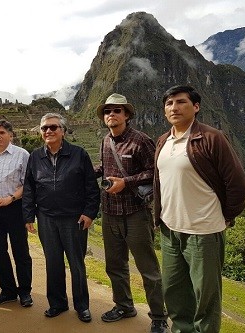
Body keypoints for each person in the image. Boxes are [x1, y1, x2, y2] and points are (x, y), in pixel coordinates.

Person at [155, 85, 245, 333]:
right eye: (169, 103)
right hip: (170, 230)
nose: (174, 107)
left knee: (205, 299)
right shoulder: (163, 141)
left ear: (196, 107)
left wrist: (226, 216)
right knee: (174, 293)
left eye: (181, 102)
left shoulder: (211, 138)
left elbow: (238, 185)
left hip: (204, 232)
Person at [94, 94, 169, 332]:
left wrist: (125, 182)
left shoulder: (140, 141)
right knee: (115, 265)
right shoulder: (106, 141)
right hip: (110, 212)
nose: (111, 115)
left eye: (117, 111)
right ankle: (124, 306)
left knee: (148, 268)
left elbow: (154, 172)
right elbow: (104, 168)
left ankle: (158, 317)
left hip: (136, 213)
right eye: (107, 111)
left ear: (127, 115)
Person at [23, 113, 100, 323]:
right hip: (46, 217)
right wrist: (28, 215)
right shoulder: (35, 156)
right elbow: (29, 187)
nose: (49, 131)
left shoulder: (78, 154)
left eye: (53, 127)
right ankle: (57, 303)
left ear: (63, 131)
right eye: (44, 128)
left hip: (73, 218)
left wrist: (89, 213)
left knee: (76, 263)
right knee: (53, 263)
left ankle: (82, 306)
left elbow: (91, 188)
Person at [0, 120, 33, 307]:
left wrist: (10, 198)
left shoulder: (22, 155)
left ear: (11, 134)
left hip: (14, 208)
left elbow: (27, 184)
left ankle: (25, 291)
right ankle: (8, 290)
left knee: (21, 252)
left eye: (1, 132)